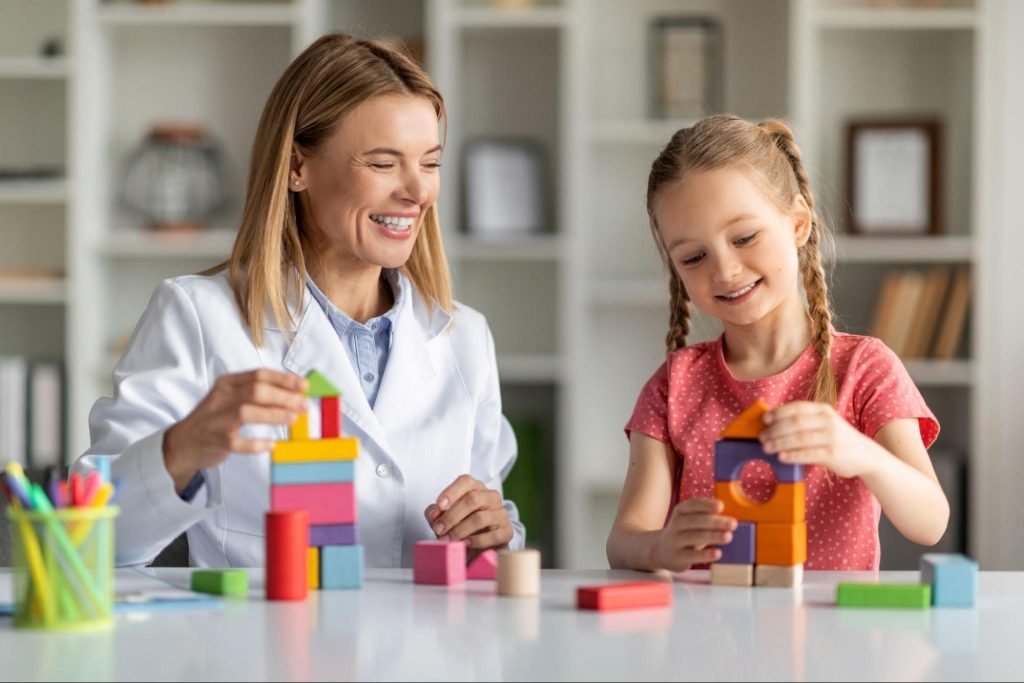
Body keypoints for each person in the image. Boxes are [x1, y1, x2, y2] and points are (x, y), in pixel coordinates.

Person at [77, 33, 524, 568]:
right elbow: (85, 543)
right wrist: (181, 449)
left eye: (429, 163)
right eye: (384, 164)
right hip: (259, 649)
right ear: (296, 168)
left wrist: (494, 534)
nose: (418, 191)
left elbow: (495, 530)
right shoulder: (196, 317)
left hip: (425, 650)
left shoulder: (463, 338)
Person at [606, 114, 949, 573]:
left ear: (799, 225)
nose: (724, 270)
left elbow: (931, 522)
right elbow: (624, 540)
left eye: (745, 237)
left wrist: (859, 452)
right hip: (708, 636)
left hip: (833, 640)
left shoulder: (864, 368)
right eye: (693, 257)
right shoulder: (675, 385)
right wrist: (660, 547)